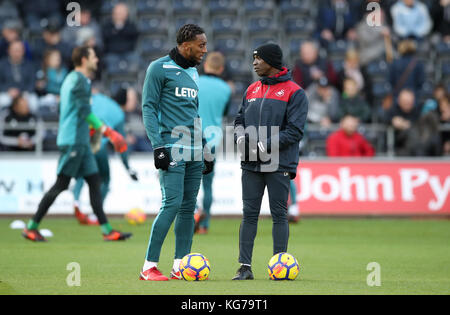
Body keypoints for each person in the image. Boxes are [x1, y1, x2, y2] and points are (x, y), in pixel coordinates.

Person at [22, 46, 132, 242]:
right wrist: (108, 132)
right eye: (93, 56)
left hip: (79, 140)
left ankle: (107, 230)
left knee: (94, 181)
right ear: (84, 59)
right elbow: (84, 111)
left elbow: (72, 110)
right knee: (61, 184)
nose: (97, 59)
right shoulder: (81, 81)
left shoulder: (70, 79)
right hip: (74, 141)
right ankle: (31, 226)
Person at [140, 24, 210, 281]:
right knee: (171, 204)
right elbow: (148, 108)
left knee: (188, 208)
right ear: (185, 45)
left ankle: (180, 265)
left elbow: (194, 112)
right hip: (171, 147)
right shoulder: (158, 68)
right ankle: (148, 267)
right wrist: (157, 146)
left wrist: (204, 148)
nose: (205, 50)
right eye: (201, 45)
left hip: (194, 149)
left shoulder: (192, 72)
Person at [233, 43, 308, 280]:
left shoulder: (295, 92)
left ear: (272, 62)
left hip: (279, 163)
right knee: (249, 214)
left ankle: (279, 266)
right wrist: (239, 138)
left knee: (279, 214)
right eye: (253, 58)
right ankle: (244, 268)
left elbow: (294, 131)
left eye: (258, 59)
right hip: (251, 162)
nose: (254, 63)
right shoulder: (251, 89)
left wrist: (263, 145)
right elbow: (238, 120)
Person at [72, 87, 139, 225]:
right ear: (125, 100)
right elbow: (121, 145)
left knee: (81, 174)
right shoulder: (119, 115)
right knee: (105, 179)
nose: (135, 102)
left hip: (80, 138)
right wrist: (128, 168)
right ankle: (96, 213)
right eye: (133, 99)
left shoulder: (99, 97)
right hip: (98, 144)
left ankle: (76, 201)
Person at [194, 51, 232, 235]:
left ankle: (193, 212)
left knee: (187, 181)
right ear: (221, 69)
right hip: (213, 139)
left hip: (190, 136)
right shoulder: (226, 89)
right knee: (207, 184)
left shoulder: (194, 82)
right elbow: (224, 113)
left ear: (205, 64)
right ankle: (205, 224)